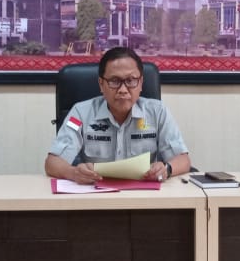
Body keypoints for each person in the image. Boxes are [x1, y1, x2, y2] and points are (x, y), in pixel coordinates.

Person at [45, 47, 191, 184]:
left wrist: (167, 169)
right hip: (96, 195)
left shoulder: (158, 112)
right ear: (101, 84)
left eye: (130, 81)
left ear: (140, 83)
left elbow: (183, 159)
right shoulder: (80, 113)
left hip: (144, 195)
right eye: (114, 81)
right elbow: (52, 163)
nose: (123, 90)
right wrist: (74, 173)